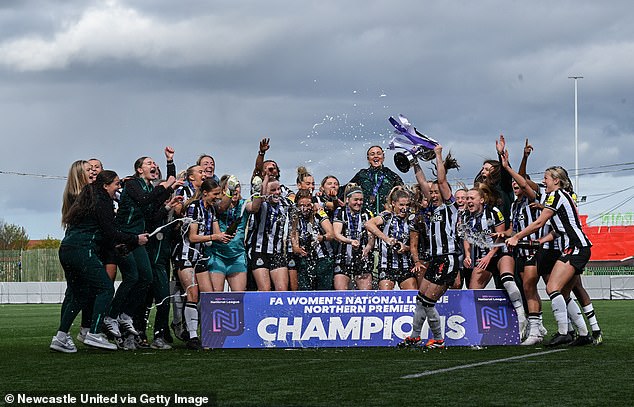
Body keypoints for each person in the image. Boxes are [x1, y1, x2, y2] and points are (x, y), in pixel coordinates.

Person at [51, 170, 148, 352]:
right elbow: (110, 232)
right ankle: (94, 333)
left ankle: (61, 337)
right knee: (105, 288)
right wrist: (136, 239)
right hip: (83, 250)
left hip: (67, 249)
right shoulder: (102, 201)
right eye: (116, 184)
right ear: (105, 186)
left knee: (77, 294)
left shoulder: (86, 199)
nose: (118, 188)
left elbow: (103, 233)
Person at [507, 166, 593, 346]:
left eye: (546, 178)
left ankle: (564, 332)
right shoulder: (553, 197)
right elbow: (524, 183)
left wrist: (516, 236)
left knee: (553, 288)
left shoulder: (557, 196)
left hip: (575, 247)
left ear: (556, 180)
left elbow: (539, 222)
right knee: (562, 292)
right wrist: (507, 167)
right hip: (573, 247)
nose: (543, 181)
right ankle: (584, 333)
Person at [108, 148, 181, 350]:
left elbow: (152, 214)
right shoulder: (132, 183)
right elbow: (144, 200)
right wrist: (166, 186)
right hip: (124, 237)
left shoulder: (148, 190)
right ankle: (112, 317)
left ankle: (125, 317)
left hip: (136, 239)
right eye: (149, 163)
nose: (153, 166)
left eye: (154, 164)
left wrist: (168, 204)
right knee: (133, 278)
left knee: (145, 278)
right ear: (139, 169)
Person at [399, 145, 460, 349]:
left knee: (427, 302)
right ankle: (415, 336)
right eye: (431, 193)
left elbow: (440, 181)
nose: (433, 195)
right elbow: (422, 181)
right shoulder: (432, 208)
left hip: (448, 258)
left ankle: (439, 340)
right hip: (435, 259)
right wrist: (414, 161)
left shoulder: (450, 207)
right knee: (420, 300)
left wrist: (438, 155)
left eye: (436, 192)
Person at [173, 178, 233, 350]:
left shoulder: (211, 209)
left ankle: (206, 332)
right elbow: (192, 237)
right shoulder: (193, 208)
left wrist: (225, 236)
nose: (218, 198)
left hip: (200, 256)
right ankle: (192, 336)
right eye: (215, 194)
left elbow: (216, 235)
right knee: (192, 293)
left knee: (208, 295)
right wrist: (216, 237)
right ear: (205, 193)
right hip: (185, 255)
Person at [463, 185, 527, 337]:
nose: (468, 201)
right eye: (467, 199)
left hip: (499, 252)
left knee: (507, 280)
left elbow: (501, 236)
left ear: (482, 200)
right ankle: (474, 333)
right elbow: (466, 238)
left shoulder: (493, 212)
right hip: (482, 257)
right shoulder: (466, 216)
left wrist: (489, 256)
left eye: (472, 198)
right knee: (473, 293)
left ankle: (521, 316)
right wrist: (467, 254)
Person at [499, 149, 545, 344]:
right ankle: (539, 326)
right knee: (528, 289)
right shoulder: (515, 205)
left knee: (533, 287)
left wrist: (520, 160)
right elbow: (512, 229)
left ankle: (540, 329)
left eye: (518, 183)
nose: (515, 185)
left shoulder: (532, 200)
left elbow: (524, 181)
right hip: (521, 251)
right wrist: (502, 234)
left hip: (536, 250)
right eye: (513, 183)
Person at [365, 186, 417, 290]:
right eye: (401, 205)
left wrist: (405, 248)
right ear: (393, 203)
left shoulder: (411, 218)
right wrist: (386, 239)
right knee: (386, 297)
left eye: (407, 205)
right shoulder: (387, 215)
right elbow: (368, 224)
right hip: (386, 265)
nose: (404, 208)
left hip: (405, 265)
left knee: (411, 296)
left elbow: (414, 245)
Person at [245, 174, 291, 291]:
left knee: (282, 290)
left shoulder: (285, 204)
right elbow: (254, 208)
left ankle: (281, 310)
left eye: (278, 189)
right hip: (259, 251)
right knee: (265, 289)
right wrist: (265, 180)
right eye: (273, 190)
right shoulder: (260, 203)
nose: (277, 192)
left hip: (277, 251)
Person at [208, 175, 249, 292]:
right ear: (223, 190)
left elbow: (254, 208)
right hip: (217, 255)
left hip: (237, 255)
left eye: (237, 187)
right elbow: (221, 208)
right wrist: (229, 193)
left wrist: (256, 193)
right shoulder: (215, 204)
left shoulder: (244, 203)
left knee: (238, 297)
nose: (235, 190)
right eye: (231, 187)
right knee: (216, 297)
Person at [290, 189, 335, 290]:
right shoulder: (295, 217)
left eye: (308, 205)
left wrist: (322, 238)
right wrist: (297, 248)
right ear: (297, 205)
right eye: (301, 205)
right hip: (305, 260)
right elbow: (294, 237)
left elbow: (331, 234)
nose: (305, 208)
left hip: (324, 259)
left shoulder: (319, 213)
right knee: (305, 291)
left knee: (323, 292)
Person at [332, 183, 374, 290]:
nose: (358, 203)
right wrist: (350, 241)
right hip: (343, 256)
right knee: (341, 295)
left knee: (365, 296)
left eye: (361, 200)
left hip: (362, 256)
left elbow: (371, 235)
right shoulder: (340, 212)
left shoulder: (366, 214)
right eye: (356, 200)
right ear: (347, 199)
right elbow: (336, 234)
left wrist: (369, 246)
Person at [348, 145, 404, 215]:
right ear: (368, 159)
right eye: (372, 154)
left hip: (386, 216)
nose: (376, 156)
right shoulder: (362, 174)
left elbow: (404, 193)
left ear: (383, 158)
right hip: (365, 216)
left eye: (379, 154)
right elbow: (347, 189)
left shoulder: (391, 175)